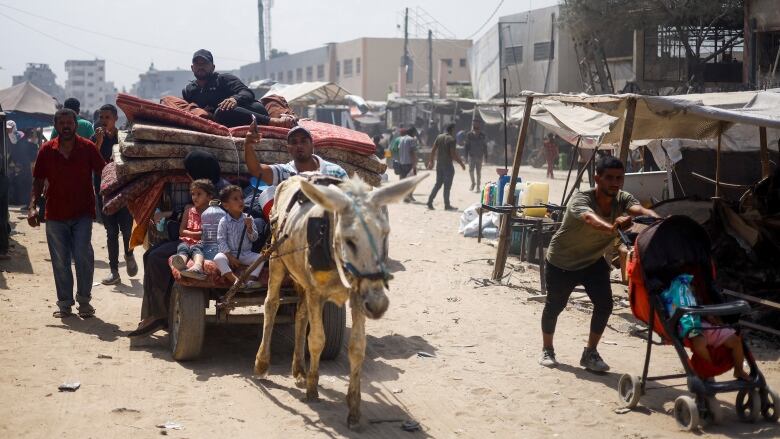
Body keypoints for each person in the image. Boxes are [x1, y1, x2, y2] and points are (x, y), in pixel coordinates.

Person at [539, 156, 658, 371]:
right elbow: (590, 219)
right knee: (555, 306)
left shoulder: (622, 198)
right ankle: (548, 350)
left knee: (605, 305)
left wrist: (657, 219)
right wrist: (613, 228)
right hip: (562, 261)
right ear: (597, 178)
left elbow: (640, 210)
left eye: (619, 178)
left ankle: (590, 353)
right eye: (609, 178)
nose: (615, 182)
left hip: (593, 261)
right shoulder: (581, 199)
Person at [130, 150, 229, 337]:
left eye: (190, 171)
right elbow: (189, 212)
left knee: (156, 257)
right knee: (151, 254)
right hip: (193, 239)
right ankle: (157, 312)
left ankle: (158, 315)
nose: (187, 175)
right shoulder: (212, 186)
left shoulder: (218, 193)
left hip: (207, 243)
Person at [28, 108, 106, 318]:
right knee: (60, 260)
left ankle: (84, 301)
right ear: (56, 126)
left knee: (82, 254)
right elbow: (37, 180)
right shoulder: (46, 150)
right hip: (55, 214)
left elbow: (104, 171)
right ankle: (64, 304)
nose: (65, 126)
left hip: (82, 212)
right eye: (61, 123)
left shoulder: (88, 148)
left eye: (69, 122)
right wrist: (32, 206)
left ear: (75, 124)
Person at [660, 274, 750, 380]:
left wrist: (713, 317)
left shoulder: (697, 296)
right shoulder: (671, 296)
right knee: (699, 342)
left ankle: (739, 370)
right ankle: (709, 370)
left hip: (709, 326)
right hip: (691, 327)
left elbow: (708, 309)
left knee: (735, 341)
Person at [183, 49, 294, 128]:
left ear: (213, 67)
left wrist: (234, 99)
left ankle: (272, 122)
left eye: (205, 63)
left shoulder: (223, 79)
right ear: (192, 68)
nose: (201, 67)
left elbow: (248, 92)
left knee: (221, 111)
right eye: (197, 64)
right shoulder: (189, 91)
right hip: (223, 120)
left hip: (251, 110)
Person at [92, 104, 138, 285]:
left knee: (126, 229)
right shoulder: (95, 138)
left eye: (107, 118)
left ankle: (129, 254)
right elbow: (92, 161)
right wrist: (99, 142)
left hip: (123, 190)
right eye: (101, 118)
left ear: (115, 119)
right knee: (111, 232)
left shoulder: (124, 137)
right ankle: (114, 271)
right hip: (104, 191)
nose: (103, 121)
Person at [244, 124, 347, 189]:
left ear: (312, 145)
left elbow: (350, 206)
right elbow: (257, 170)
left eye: (303, 141)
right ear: (288, 149)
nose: (299, 145)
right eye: (294, 142)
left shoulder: (336, 172)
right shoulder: (284, 173)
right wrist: (248, 144)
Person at [213, 185, 263, 288]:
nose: (240, 201)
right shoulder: (224, 221)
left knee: (261, 257)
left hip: (246, 254)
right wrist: (230, 257)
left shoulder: (249, 218)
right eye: (235, 199)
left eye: (241, 198)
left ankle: (250, 280)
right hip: (229, 254)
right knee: (218, 258)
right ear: (226, 205)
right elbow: (221, 240)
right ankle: (235, 281)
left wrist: (249, 227)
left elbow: (254, 238)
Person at [171, 179, 215, 280]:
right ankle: (180, 263)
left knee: (197, 249)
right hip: (186, 241)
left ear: (209, 197)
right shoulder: (188, 211)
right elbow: (181, 231)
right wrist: (195, 234)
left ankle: (197, 266)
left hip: (202, 243)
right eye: (193, 194)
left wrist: (189, 233)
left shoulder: (211, 213)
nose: (195, 197)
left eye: (199, 194)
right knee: (182, 248)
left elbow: (205, 234)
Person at [426, 124, 465, 211]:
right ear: (452, 130)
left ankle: (429, 202)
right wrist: (461, 163)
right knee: (447, 187)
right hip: (448, 166)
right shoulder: (451, 139)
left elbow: (433, 150)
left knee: (438, 184)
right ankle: (447, 205)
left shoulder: (439, 137)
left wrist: (431, 161)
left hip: (439, 165)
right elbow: (453, 154)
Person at [6, 121, 37, 205]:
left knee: (25, 183)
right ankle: (16, 200)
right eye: (7, 128)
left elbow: (23, 149)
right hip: (14, 162)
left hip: (23, 163)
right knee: (15, 182)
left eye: (10, 128)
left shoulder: (21, 136)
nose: (8, 129)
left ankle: (27, 203)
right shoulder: (6, 137)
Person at [464, 120, 488, 192]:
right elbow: (466, 146)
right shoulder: (469, 135)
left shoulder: (482, 135)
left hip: (479, 156)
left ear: (479, 125)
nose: (476, 125)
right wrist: (465, 156)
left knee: (478, 172)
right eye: (475, 123)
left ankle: (478, 186)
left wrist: (486, 156)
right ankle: (473, 183)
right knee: (471, 171)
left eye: (477, 123)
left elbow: (485, 146)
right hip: (471, 156)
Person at [397, 127, 419, 202]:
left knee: (404, 180)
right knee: (413, 180)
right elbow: (412, 152)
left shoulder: (401, 139)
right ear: (413, 132)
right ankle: (409, 195)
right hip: (409, 163)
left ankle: (405, 196)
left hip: (402, 162)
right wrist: (415, 162)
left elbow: (399, 151)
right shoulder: (411, 139)